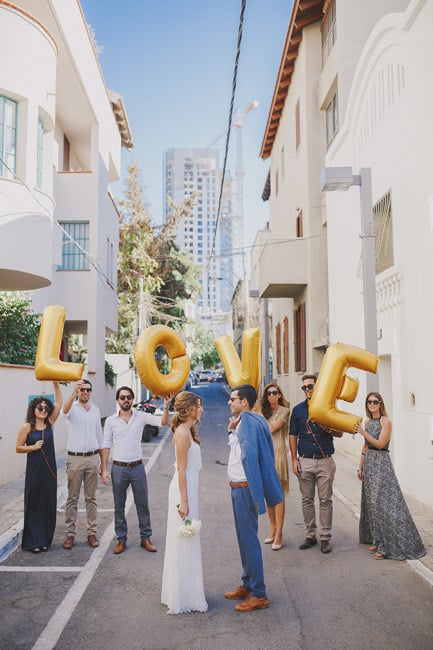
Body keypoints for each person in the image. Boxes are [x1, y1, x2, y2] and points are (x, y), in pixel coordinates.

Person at [224, 384, 284, 613]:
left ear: (244, 402)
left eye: (233, 399)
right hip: (240, 487)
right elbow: (240, 450)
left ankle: (258, 593)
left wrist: (255, 491)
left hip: (244, 488)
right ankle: (248, 583)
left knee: (248, 541)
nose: (229, 402)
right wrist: (232, 432)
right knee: (244, 539)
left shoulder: (248, 421)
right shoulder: (250, 420)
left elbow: (249, 455)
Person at [355, 392, 426, 560]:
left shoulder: (385, 421)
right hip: (369, 464)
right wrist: (360, 467)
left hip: (381, 464)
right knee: (371, 504)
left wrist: (364, 433)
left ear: (380, 404)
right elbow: (365, 448)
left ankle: (386, 547)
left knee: (382, 504)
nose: (372, 404)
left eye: (375, 401)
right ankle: (377, 541)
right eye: (369, 402)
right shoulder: (367, 422)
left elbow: (380, 444)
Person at [101, 386, 172, 554]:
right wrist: (103, 469)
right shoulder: (111, 421)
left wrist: (166, 406)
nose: (125, 400)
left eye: (128, 397)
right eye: (122, 397)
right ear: (118, 400)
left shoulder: (140, 416)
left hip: (137, 467)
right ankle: (121, 539)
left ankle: (145, 538)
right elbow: (106, 445)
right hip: (119, 468)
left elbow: (162, 422)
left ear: (132, 399)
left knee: (142, 504)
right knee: (119, 505)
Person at [161, 392, 208, 614]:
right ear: (189, 409)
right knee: (184, 539)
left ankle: (188, 593)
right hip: (183, 492)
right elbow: (181, 469)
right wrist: (184, 502)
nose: (201, 410)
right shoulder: (181, 433)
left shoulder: (187, 430)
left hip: (188, 489)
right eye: (199, 406)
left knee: (188, 540)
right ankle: (182, 597)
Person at [289, 374, 343, 554]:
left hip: (325, 460)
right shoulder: (297, 410)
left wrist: (329, 428)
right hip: (305, 460)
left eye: (310, 386)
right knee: (307, 500)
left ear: (317, 387)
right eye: (304, 387)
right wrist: (294, 460)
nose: (307, 390)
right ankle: (310, 535)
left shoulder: (328, 407)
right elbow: (293, 435)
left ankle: (325, 537)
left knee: (325, 500)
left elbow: (340, 432)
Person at [16, 382, 63, 553]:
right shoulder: (27, 427)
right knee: (34, 503)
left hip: (49, 471)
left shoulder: (50, 422)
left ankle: (44, 540)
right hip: (34, 470)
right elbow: (18, 447)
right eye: (40, 407)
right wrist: (33, 447)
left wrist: (56, 383)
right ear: (33, 409)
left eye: (45, 407)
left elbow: (59, 402)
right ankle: (33, 542)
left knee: (47, 504)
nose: (43, 410)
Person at [61, 379, 103, 550]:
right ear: (78, 391)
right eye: (82, 389)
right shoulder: (72, 408)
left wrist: (103, 464)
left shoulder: (95, 409)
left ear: (91, 391)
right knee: (72, 498)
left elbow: (99, 436)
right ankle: (70, 535)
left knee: (91, 498)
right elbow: (63, 412)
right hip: (75, 459)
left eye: (88, 389)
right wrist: (73, 392)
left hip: (92, 458)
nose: (85, 392)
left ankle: (91, 533)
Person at [260, 382, 290, 550]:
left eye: (274, 392)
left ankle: (279, 532)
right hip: (264, 454)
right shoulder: (263, 412)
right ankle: (272, 529)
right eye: (268, 393)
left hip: (278, 454)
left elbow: (271, 428)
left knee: (278, 494)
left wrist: (259, 415)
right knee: (268, 495)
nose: (271, 395)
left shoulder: (285, 411)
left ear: (279, 395)